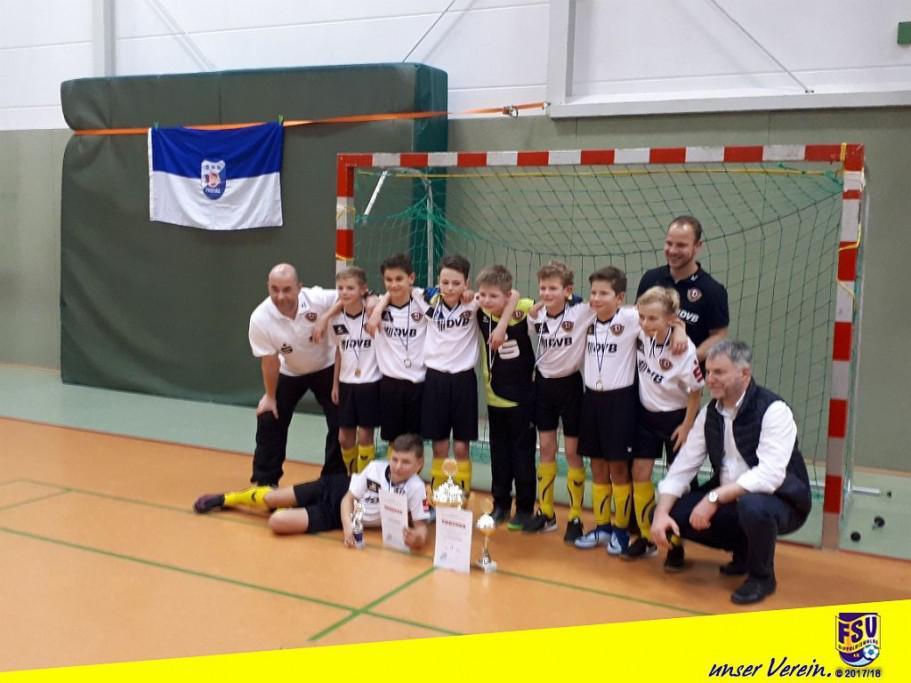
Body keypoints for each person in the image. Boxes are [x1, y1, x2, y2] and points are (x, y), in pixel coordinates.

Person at [651, 340, 811, 605]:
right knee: (668, 510)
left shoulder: (773, 410)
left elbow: (769, 475)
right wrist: (660, 514)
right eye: (708, 372)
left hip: (783, 500)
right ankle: (743, 551)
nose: (709, 379)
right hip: (731, 499)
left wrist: (713, 498)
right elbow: (682, 467)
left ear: (744, 373)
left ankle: (762, 578)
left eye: (719, 372)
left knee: (753, 506)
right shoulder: (709, 414)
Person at [574, 268, 687, 552]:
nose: (596, 298)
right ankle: (602, 526)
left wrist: (680, 330)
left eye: (604, 293)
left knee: (618, 468)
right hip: (591, 400)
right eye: (593, 292)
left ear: (620, 297)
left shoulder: (631, 318)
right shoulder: (586, 316)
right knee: (597, 467)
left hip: (620, 403)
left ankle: (622, 530)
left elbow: (666, 317)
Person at [193, 433, 431, 550]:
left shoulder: (416, 489)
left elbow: (422, 528)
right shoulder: (375, 468)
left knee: (276, 522)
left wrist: (417, 540)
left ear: (419, 464)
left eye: (406, 462)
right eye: (395, 459)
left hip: (333, 517)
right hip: (334, 489)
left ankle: (291, 508)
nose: (398, 467)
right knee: (272, 498)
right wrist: (349, 528)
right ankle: (227, 498)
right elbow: (348, 499)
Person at [421, 255, 512, 499]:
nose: (450, 288)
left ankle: (462, 495)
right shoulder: (426, 298)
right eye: (445, 282)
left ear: (467, 283)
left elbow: (512, 295)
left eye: (456, 283)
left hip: (463, 381)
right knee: (439, 445)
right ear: (438, 281)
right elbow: (392, 293)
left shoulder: (474, 303)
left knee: (461, 446)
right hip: (435, 380)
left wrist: (501, 326)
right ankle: (438, 495)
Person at [623, 286, 703, 559]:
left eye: (653, 318)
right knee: (639, 474)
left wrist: (687, 426)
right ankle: (646, 537)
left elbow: (695, 391)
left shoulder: (684, 348)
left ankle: (675, 544)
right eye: (642, 317)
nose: (645, 323)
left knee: (677, 480)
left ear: (670, 318)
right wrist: (676, 325)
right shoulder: (640, 332)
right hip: (646, 416)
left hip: (676, 419)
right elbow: (615, 310)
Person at [247, 263, 344, 486]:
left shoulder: (317, 298)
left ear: (299, 287)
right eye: (274, 289)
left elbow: (351, 296)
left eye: (287, 289)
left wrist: (325, 317)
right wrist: (270, 396)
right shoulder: (260, 318)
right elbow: (269, 362)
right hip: (290, 370)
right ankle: (265, 481)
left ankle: (333, 479)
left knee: (342, 419)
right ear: (268, 287)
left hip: (327, 366)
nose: (280, 296)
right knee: (269, 416)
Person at [524, 261, 592, 541]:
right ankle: (546, 513)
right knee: (546, 449)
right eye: (543, 288)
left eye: (553, 288)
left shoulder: (580, 311)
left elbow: (604, 306)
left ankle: (575, 516)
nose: (546, 293)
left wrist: (575, 299)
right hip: (543, 386)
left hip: (571, 386)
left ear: (567, 290)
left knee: (574, 453)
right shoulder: (535, 315)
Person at [476, 265, 536, 529]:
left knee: (522, 456)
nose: (487, 300)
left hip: (522, 399)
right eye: (483, 295)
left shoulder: (522, 308)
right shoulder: (480, 310)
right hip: (494, 398)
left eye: (493, 296)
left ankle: (524, 509)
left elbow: (519, 297)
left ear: (507, 295)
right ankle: (500, 504)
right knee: (499, 455)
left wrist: (502, 325)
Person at [636, 216, 729, 364]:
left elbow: (719, 335)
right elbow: (637, 317)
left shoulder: (713, 291)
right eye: (669, 243)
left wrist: (689, 360)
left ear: (697, 246)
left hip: (685, 375)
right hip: (647, 370)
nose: (673, 250)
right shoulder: (650, 278)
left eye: (681, 245)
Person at [365, 254, 430, 445]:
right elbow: (355, 292)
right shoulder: (375, 304)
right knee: (393, 440)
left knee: (415, 440)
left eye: (399, 279)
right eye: (389, 280)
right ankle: (394, 466)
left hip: (419, 383)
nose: (393, 285)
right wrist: (375, 305)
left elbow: (449, 293)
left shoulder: (424, 300)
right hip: (390, 383)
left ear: (411, 278)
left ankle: (414, 466)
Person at [327, 267, 381, 475]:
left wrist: (372, 300)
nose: (344, 292)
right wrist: (335, 384)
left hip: (370, 383)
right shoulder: (335, 319)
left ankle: (365, 480)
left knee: (366, 436)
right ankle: (352, 476)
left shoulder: (374, 314)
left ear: (363, 289)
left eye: (350, 288)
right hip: (346, 383)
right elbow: (338, 352)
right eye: (340, 288)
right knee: (344, 437)